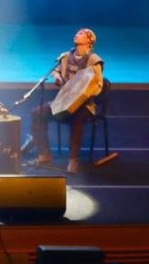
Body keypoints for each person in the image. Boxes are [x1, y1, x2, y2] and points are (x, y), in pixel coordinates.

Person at [27, 28, 104, 174]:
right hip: (63, 102)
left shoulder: (94, 61)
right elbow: (56, 70)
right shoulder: (65, 57)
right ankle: (44, 154)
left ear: (90, 41)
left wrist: (83, 94)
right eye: (76, 32)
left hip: (84, 105)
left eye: (81, 33)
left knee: (78, 116)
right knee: (37, 113)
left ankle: (73, 159)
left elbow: (98, 85)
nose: (77, 34)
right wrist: (57, 76)